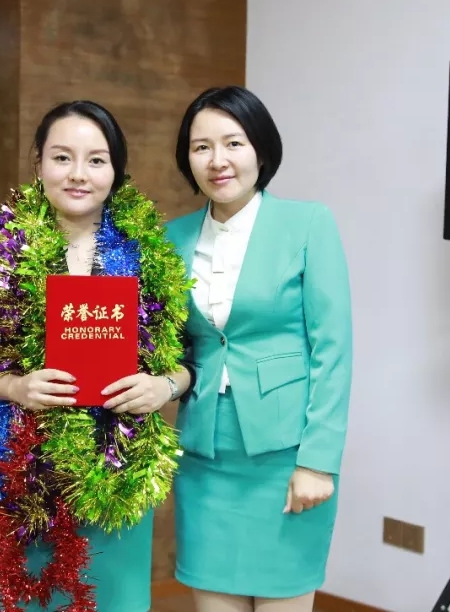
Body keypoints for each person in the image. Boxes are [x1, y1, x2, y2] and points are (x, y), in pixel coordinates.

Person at [0, 100, 194, 612]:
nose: (79, 174)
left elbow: (188, 360)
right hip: (21, 473)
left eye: (96, 160)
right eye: (62, 157)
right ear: (38, 163)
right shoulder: (1, 252)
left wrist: (162, 387)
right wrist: (14, 387)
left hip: (116, 469)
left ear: (116, 171)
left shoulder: (148, 254)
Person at [165, 85, 353, 612]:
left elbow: (333, 350)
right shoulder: (171, 238)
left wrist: (318, 462)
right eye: (201, 147)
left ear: (261, 150)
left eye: (233, 143)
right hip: (204, 457)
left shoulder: (308, 224)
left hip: (286, 458)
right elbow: (170, 347)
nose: (217, 160)